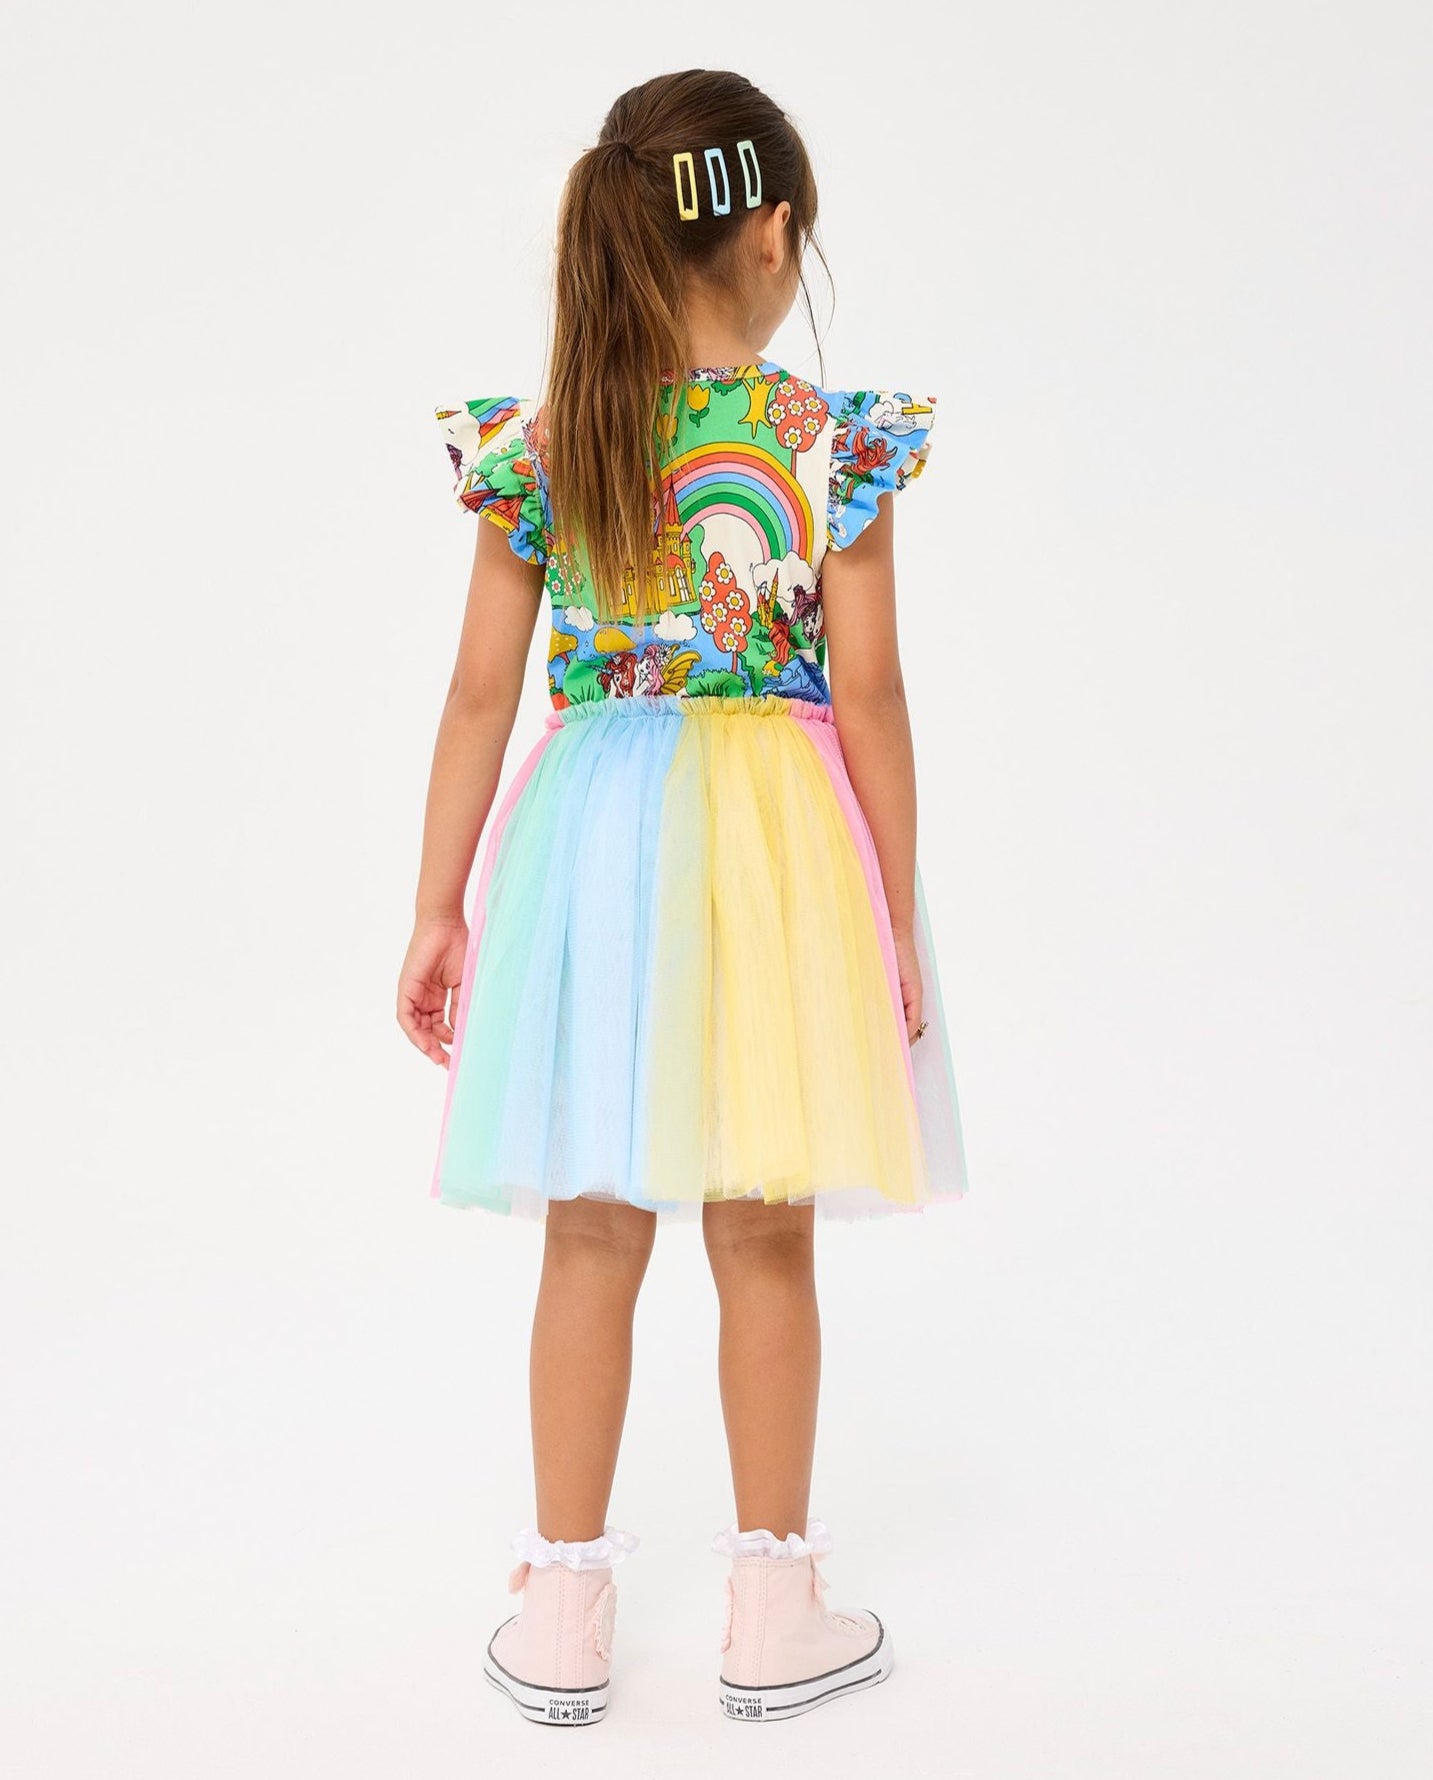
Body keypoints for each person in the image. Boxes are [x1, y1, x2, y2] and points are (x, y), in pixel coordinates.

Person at [397, 68, 969, 1727]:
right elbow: (869, 694)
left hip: (590, 839)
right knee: (764, 1222)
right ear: (771, 232)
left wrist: (438, 905)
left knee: (590, 1221)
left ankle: (561, 1609)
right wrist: (894, 913)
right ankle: (772, 1609)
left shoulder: (545, 441)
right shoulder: (822, 440)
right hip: (778, 840)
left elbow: (476, 695)